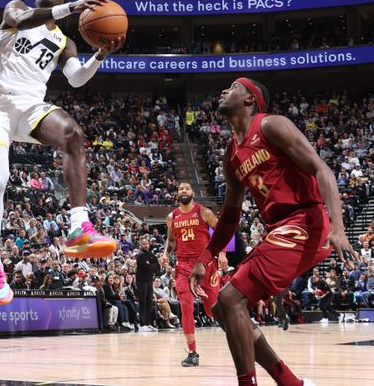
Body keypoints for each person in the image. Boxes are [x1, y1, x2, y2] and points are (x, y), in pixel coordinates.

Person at [189, 77, 357, 386]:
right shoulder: (231, 154)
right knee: (221, 309)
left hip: (306, 221)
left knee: (230, 298)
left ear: (250, 99)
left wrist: (338, 226)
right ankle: (291, 383)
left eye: (234, 87)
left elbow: (322, 169)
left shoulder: (271, 126)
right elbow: (230, 215)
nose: (225, 91)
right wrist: (205, 257)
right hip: (279, 229)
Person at [0, 0, 124, 306]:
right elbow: (23, 19)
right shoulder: (16, 9)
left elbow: (75, 78)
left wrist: (99, 55)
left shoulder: (64, 41)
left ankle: (78, 225)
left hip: (31, 107)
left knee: (73, 133)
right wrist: (72, 6)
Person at [165, 181, 228, 366]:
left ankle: (241, 334)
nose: (183, 190)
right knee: (185, 304)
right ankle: (192, 352)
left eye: (187, 188)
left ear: (192, 193)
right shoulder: (172, 217)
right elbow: (170, 240)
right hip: (183, 265)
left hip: (205, 265)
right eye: (180, 188)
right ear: (177, 194)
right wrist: (165, 254)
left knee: (212, 311)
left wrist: (222, 253)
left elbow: (222, 231)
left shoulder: (204, 212)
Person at [135, 237, 160, 332]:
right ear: (141, 245)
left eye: (147, 243)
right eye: (144, 244)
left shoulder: (151, 254)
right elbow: (147, 267)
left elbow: (157, 267)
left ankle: (149, 323)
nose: (146, 245)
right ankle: (142, 324)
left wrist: (151, 265)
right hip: (141, 281)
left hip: (149, 281)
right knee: (143, 302)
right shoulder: (140, 255)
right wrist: (151, 265)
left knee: (149, 302)